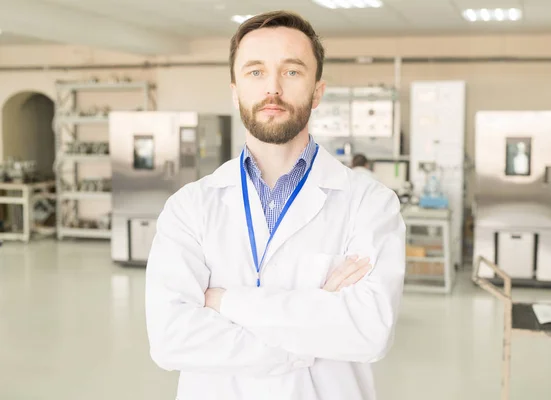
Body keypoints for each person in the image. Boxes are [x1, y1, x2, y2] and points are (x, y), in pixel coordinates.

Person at [145, 10, 406, 400]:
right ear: (235, 90)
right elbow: (171, 339)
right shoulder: (189, 208)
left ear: (317, 90)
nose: (273, 88)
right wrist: (313, 321)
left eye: (292, 71)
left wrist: (225, 301)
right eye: (255, 72)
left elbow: (368, 333)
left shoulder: (370, 204)